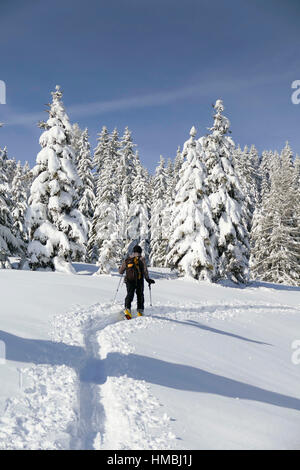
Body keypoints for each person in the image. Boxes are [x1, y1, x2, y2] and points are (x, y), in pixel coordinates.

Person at [119, 245, 155, 319]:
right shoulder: (142, 259)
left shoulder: (128, 259)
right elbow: (145, 271)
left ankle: (127, 309)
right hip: (139, 281)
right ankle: (140, 311)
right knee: (140, 295)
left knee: (130, 294)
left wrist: (120, 269)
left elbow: (121, 271)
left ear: (134, 251)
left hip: (129, 280)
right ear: (140, 252)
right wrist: (148, 279)